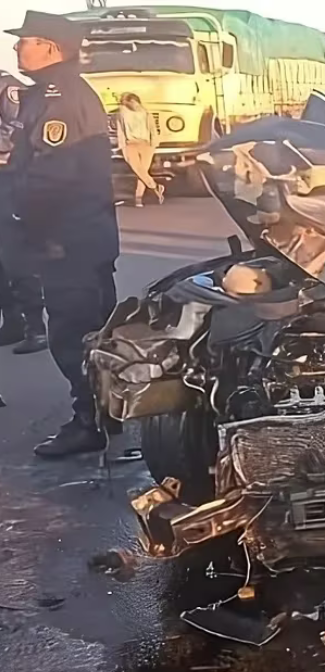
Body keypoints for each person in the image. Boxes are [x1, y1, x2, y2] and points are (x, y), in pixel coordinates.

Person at [7, 11, 121, 458]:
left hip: (68, 239)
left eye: (25, 41)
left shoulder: (60, 98)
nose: (18, 48)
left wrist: (24, 220)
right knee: (95, 331)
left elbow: (51, 176)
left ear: (51, 48)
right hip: (83, 236)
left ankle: (89, 422)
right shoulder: (54, 94)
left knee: (75, 335)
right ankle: (106, 412)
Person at [0, 68, 46, 354]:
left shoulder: (7, 88)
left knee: (14, 257)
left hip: (6, 178)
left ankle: (35, 326)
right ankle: (12, 319)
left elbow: (18, 132)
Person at [115, 92, 163, 207]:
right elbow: (120, 130)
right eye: (129, 102)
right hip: (130, 144)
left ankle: (138, 198)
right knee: (137, 169)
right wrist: (121, 145)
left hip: (146, 144)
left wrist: (154, 143)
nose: (133, 105)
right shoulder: (122, 112)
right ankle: (155, 187)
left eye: (134, 102)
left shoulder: (146, 113)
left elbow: (152, 129)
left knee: (143, 172)